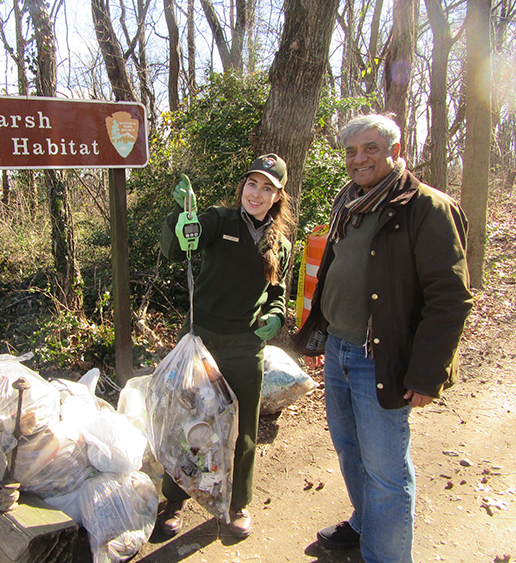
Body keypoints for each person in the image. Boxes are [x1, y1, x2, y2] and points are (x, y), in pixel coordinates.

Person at [291, 114, 473, 562]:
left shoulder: (426, 208)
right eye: (351, 151)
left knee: (387, 470)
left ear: (394, 149)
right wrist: (321, 335)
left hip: (380, 358)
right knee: (349, 450)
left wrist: (428, 374)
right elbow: (334, 273)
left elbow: (450, 298)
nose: (359, 159)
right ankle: (364, 521)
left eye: (370, 148)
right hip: (338, 350)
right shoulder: (348, 203)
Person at [158, 154, 294, 538]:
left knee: (242, 429)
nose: (257, 193)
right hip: (202, 339)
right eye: (253, 184)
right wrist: (181, 214)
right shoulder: (219, 221)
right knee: (191, 423)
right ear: (243, 187)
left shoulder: (280, 244)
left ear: (277, 196)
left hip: (245, 345)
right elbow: (176, 248)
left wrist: (278, 316)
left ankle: (238, 504)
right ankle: (175, 500)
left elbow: (277, 293)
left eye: (267, 187)